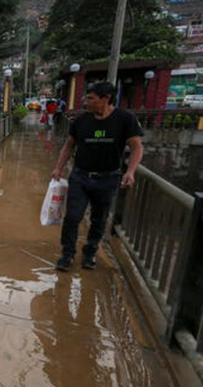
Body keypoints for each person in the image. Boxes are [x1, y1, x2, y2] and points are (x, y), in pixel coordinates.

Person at [50, 82, 144, 271]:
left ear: (106, 98)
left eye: (91, 98)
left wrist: (130, 171)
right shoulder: (81, 121)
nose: (86, 102)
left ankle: (90, 253)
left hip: (107, 178)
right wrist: (58, 168)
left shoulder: (125, 119)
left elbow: (136, 146)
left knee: (98, 219)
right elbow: (69, 145)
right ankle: (67, 254)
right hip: (80, 176)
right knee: (72, 217)